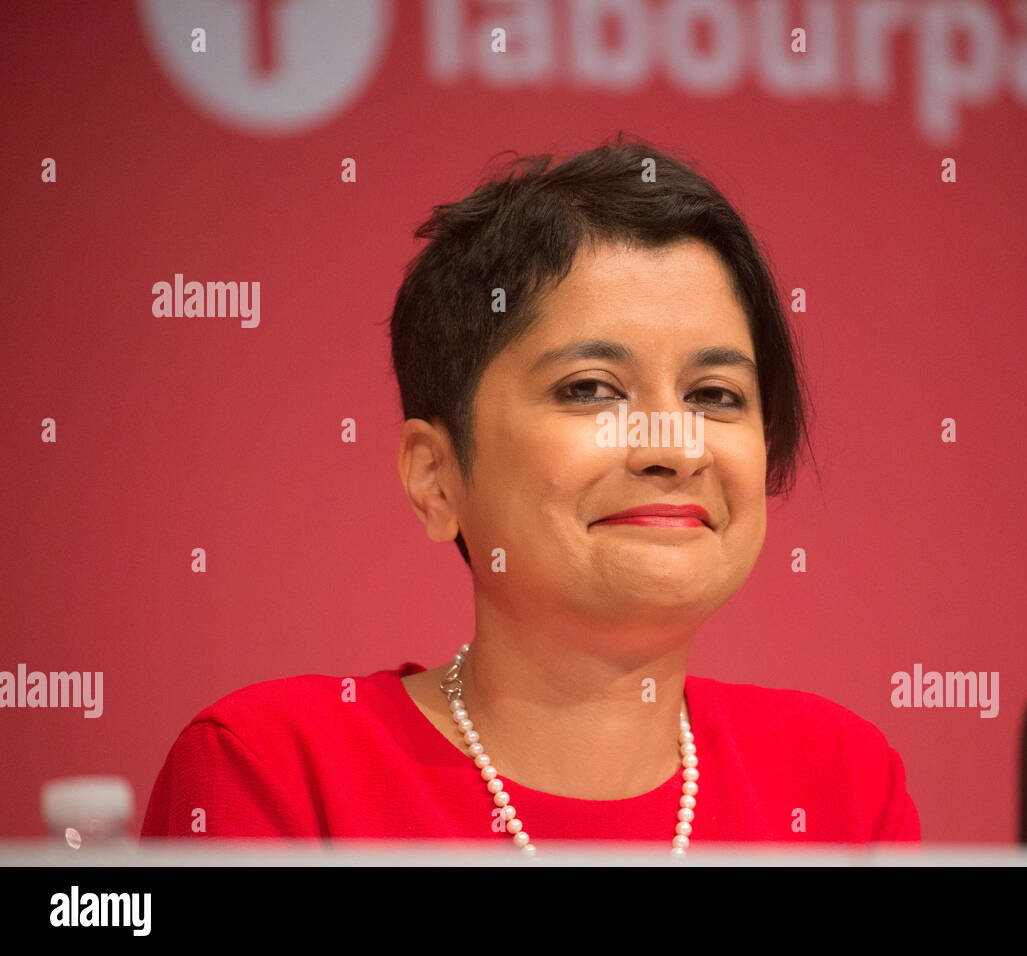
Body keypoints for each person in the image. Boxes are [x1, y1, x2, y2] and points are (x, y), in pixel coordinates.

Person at [140, 133, 920, 852]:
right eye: (591, 389)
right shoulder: (275, 769)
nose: (674, 450)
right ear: (435, 476)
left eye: (715, 396)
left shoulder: (841, 783)